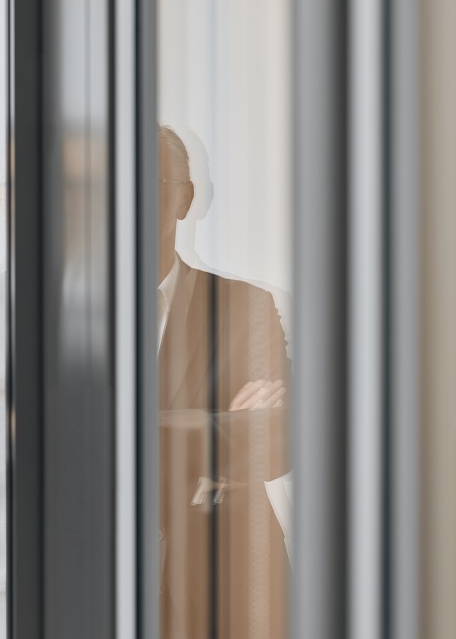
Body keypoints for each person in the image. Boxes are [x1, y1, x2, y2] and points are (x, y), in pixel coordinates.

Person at [157, 126, 290, 639]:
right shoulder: (59, 322)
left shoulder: (244, 306)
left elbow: (276, 442)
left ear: (186, 198)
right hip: (99, 569)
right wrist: (218, 427)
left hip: (227, 572)